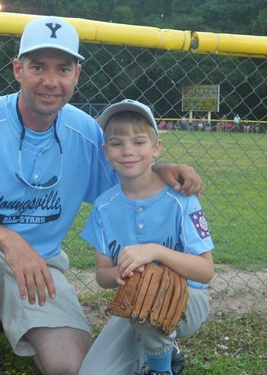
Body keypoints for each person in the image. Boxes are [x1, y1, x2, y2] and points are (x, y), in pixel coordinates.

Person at [0, 16, 203, 375]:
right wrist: (10, 241)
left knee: (72, 368)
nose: (50, 81)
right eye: (38, 66)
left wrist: (160, 170)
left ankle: (3, 314)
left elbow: (127, 189)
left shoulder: (84, 132)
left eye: (63, 68)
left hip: (41, 265)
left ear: (77, 75)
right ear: (18, 69)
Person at [79, 100, 214, 375]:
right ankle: (162, 346)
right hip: (135, 307)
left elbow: (206, 271)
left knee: (150, 281)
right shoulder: (104, 207)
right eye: (117, 143)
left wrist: (156, 251)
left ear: (156, 148)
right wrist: (120, 273)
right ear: (106, 152)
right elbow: (102, 276)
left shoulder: (181, 200)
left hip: (187, 301)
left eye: (139, 141)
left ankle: (160, 367)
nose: (128, 150)